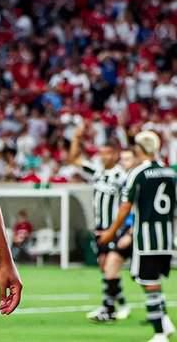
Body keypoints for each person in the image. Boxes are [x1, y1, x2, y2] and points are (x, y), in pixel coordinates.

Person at [100, 131, 176, 342]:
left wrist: (111, 232)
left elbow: (125, 207)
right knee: (147, 279)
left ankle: (160, 333)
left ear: (139, 149)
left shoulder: (138, 173)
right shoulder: (170, 172)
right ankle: (165, 321)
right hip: (166, 238)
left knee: (149, 282)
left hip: (146, 240)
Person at [67, 122, 130, 322]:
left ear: (115, 154)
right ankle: (122, 303)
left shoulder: (122, 176)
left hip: (116, 228)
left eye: (108, 153)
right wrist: (76, 138)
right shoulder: (97, 171)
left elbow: (130, 202)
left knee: (109, 266)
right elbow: (74, 159)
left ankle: (108, 308)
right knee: (105, 267)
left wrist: (126, 228)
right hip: (100, 227)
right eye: (101, 153)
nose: (104, 157)